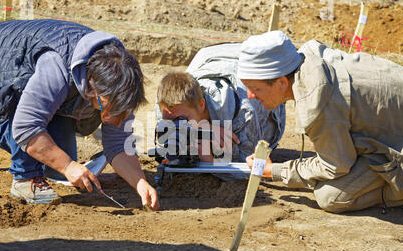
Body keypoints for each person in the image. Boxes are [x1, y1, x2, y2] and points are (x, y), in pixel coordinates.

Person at [0, 19, 159, 210]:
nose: (108, 118)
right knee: (40, 146)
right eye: (104, 106)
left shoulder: (123, 81)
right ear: (92, 86)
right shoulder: (56, 68)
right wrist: (67, 166)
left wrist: (140, 183)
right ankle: (23, 174)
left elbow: (118, 143)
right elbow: (27, 127)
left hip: (37, 73)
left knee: (57, 165)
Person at [239, 30, 403, 213]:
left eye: (254, 88)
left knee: (330, 196)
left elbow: (335, 167)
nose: (250, 96)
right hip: (392, 126)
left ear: (282, 83)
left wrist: (273, 171)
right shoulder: (311, 61)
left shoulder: (318, 102)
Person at [155, 43, 286, 180]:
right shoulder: (167, 109)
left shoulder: (244, 114)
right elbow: (166, 151)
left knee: (228, 149)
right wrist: (203, 130)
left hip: (258, 69)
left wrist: (210, 163)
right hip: (211, 56)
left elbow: (252, 170)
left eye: (183, 119)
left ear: (201, 105)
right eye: (170, 121)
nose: (176, 125)